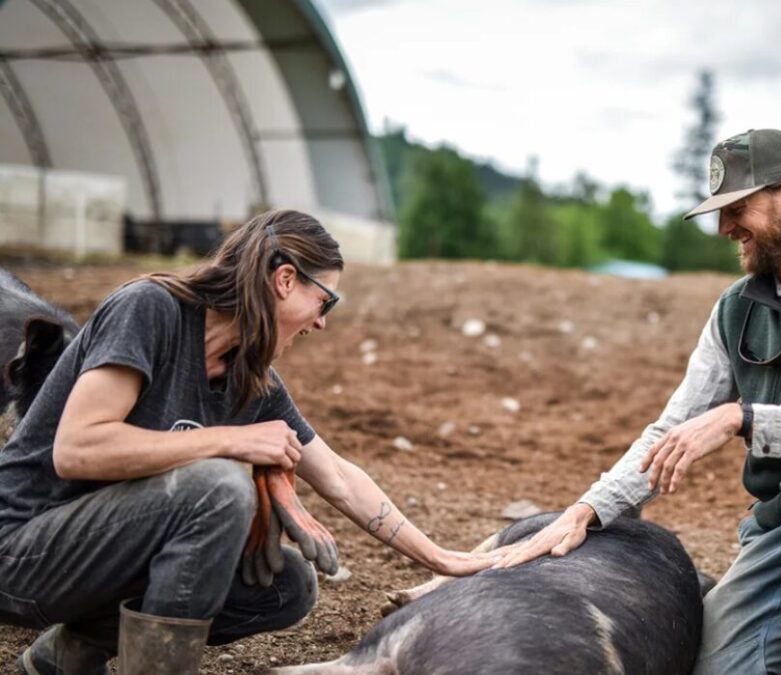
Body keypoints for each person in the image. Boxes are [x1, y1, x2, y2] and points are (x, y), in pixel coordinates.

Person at [497, 129, 781, 674]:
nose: (725, 227)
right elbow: (672, 429)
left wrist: (745, 416)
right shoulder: (735, 309)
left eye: (737, 207)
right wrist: (587, 510)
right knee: (715, 667)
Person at [0, 209, 499, 674]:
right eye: (324, 300)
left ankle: (68, 654)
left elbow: (340, 478)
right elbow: (78, 449)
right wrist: (234, 442)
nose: (322, 322)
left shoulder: (252, 379)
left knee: (286, 587)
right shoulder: (150, 309)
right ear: (285, 281)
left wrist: (443, 559)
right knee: (218, 487)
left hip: (95, 555)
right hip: (20, 552)